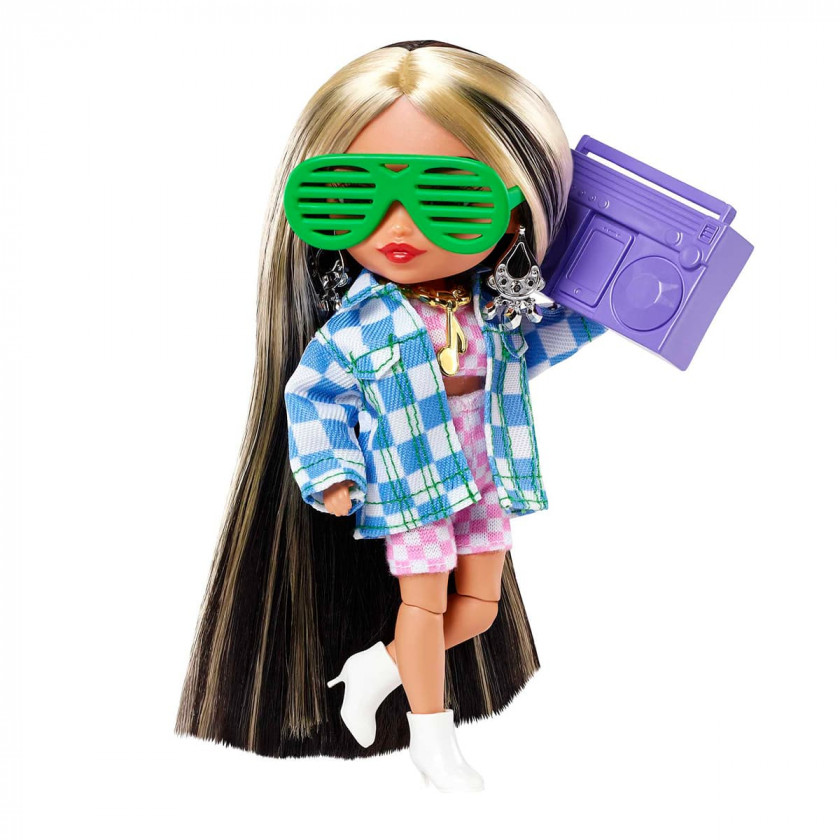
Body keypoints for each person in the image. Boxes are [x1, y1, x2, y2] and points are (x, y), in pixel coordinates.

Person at [177, 39, 605, 792]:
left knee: (479, 606)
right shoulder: (358, 325)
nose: (398, 227)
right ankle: (432, 740)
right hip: (410, 477)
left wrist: (609, 307)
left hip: (486, 469)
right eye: (349, 198)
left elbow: (528, 355)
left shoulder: (489, 309)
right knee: (426, 603)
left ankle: (376, 670)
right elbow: (313, 396)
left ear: (513, 213)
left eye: (449, 199)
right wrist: (332, 470)